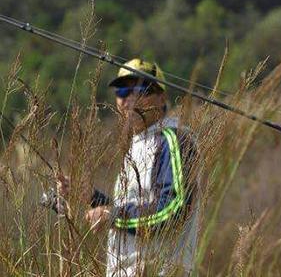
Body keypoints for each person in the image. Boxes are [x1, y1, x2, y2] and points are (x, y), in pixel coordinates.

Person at [59, 58, 199, 276]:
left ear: (162, 97)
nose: (130, 98)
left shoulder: (173, 140)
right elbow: (136, 209)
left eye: (141, 89)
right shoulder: (138, 144)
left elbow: (173, 209)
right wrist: (93, 198)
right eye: (123, 91)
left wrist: (113, 215)